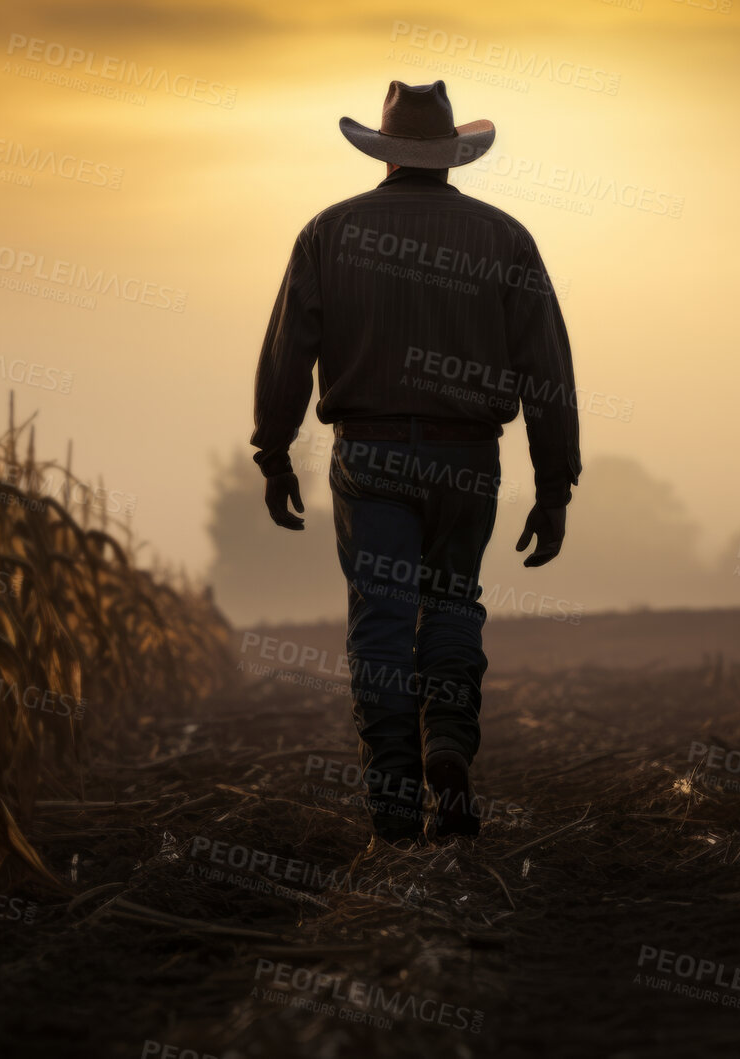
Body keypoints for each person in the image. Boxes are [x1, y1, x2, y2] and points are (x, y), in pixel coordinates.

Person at [249, 80, 580, 849]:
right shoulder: (506, 237)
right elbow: (546, 369)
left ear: (385, 152)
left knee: (381, 623)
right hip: (467, 456)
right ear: (451, 154)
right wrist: (555, 482)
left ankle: (394, 803)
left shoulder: (327, 233)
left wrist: (273, 452)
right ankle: (447, 749)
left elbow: (286, 353)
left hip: (369, 455)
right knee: (453, 603)